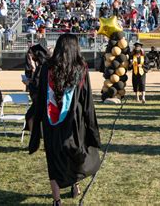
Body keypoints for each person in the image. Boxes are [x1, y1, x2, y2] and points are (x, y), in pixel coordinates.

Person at [28, 34, 101, 206]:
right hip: (74, 122)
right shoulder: (81, 68)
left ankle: (57, 200)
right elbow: (86, 97)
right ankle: (74, 185)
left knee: (53, 156)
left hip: (50, 120)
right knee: (74, 153)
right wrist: (91, 126)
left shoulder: (47, 67)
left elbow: (40, 94)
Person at [24, 44, 49, 131]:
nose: (32, 55)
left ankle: (36, 134)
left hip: (41, 97)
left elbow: (38, 84)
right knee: (30, 115)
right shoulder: (43, 66)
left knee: (31, 116)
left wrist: (29, 83)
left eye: (33, 54)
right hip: (40, 96)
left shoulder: (42, 67)